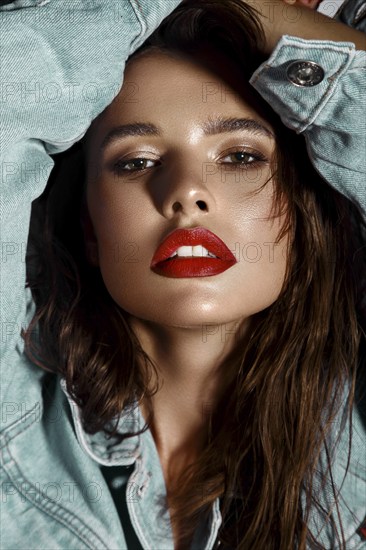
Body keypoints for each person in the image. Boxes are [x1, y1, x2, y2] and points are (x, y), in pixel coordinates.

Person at [1, 0, 365, 548]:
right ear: (92, 229)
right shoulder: (15, 402)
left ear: (300, 214)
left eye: (241, 156)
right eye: (137, 161)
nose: (186, 193)